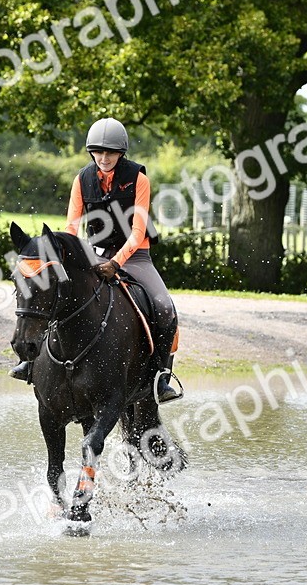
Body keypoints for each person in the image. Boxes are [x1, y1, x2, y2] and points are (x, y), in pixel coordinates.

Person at [10, 117, 183, 403]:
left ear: (121, 153)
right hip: (94, 253)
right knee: (52, 293)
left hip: (135, 255)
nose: (104, 158)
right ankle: (31, 363)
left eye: (110, 153)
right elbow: (70, 228)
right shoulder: (82, 179)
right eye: (98, 153)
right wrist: (65, 257)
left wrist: (116, 262)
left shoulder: (139, 179)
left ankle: (160, 377)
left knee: (164, 307)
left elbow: (138, 231)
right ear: (92, 153)